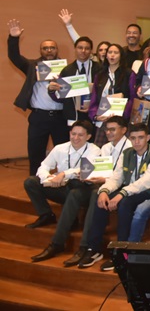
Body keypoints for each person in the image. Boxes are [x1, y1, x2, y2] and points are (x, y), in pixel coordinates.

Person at [75, 123, 150, 269]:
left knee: (125, 204)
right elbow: (117, 177)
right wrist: (104, 191)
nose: (137, 142)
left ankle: (121, 251)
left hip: (148, 191)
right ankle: (94, 249)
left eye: (140, 138)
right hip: (128, 189)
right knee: (100, 198)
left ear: (148, 138)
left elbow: (146, 181)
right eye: (133, 138)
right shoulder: (127, 153)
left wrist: (121, 194)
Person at [23, 121, 100, 262]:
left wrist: (63, 174)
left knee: (74, 192)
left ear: (88, 136)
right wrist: (47, 177)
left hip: (83, 190)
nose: (76, 138)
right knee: (31, 182)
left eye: (80, 135)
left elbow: (83, 169)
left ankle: (57, 244)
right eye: (73, 134)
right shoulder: (60, 148)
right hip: (64, 189)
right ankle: (46, 215)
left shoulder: (94, 150)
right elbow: (44, 166)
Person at [7, 18, 69, 175]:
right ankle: (35, 184)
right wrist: (13, 38)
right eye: (45, 48)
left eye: (52, 48)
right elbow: (14, 57)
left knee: (64, 154)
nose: (49, 50)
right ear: (40, 50)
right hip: (38, 117)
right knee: (36, 153)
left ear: (57, 50)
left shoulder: (67, 69)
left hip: (60, 117)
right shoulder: (31, 66)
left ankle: (65, 182)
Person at [87, 44, 136, 146]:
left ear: (121, 56)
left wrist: (123, 114)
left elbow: (132, 98)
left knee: (121, 153)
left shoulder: (128, 74)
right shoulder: (100, 75)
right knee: (101, 153)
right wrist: (95, 116)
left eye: (116, 52)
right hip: (103, 121)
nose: (112, 55)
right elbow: (94, 99)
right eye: (110, 52)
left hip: (121, 122)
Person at [47, 36, 98, 125]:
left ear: (91, 51)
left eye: (87, 48)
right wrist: (52, 90)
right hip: (73, 116)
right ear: (75, 49)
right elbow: (61, 97)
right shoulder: (67, 70)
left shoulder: (99, 69)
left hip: (94, 116)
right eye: (80, 48)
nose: (83, 51)